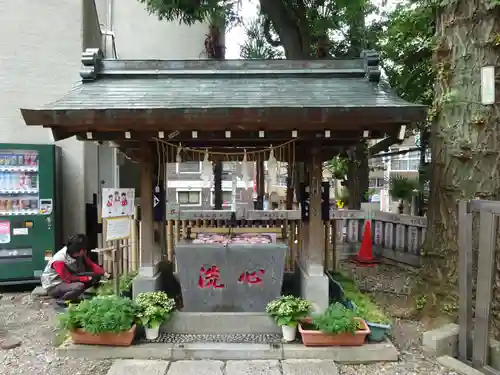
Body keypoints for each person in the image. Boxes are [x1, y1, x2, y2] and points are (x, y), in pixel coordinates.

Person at [41, 234, 108, 302]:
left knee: (95, 276)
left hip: (69, 278)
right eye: (85, 249)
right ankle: (63, 299)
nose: (85, 251)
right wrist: (86, 278)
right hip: (55, 285)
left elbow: (90, 264)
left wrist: (104, 272)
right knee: (80, 286)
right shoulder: (59, 260)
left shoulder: (78, 253)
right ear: (81, 250)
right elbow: (68, 279)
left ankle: (75, 294)